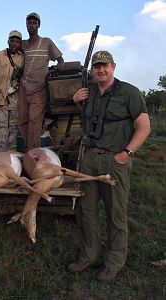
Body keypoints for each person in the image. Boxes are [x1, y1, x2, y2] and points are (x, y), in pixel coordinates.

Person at [68, 50, 151, 281]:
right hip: (90, 159)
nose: (101, 70)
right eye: (97, 67)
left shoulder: (129, 92)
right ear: (92, 70)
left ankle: (114, 262)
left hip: (115, 160)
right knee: (87, 211)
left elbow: (144, 127)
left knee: (116, 212)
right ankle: (89, 256)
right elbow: (89, 122)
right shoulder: (89, 92)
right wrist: (76, 102)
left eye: (105, 66)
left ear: (113, 67)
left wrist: (127, 153)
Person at [18, 12, 64, 151]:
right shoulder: (23, 44)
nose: (31, 25)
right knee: (21, 121)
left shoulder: (46, 42)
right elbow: (10, 52)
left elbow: (59, 58)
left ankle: (34, 151)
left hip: (39, 88)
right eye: (29, 23)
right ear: (26, 25)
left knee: (35, 120)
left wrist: (60, 63)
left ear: (38, 25)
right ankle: (29, 147)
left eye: (34, 23)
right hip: (23, 87)